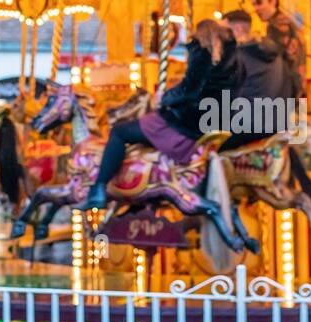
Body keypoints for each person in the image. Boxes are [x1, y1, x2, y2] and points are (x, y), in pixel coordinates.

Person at [79, 19, 239, 210]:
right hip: (209, 123)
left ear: (201, 35)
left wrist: (165, 98)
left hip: (183, 125)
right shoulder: (231, 60)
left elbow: (190, 89)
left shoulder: (201, 54)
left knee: (119, 132)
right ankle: (140, 194)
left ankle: (98, 189)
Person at [219, 8, 298, 151]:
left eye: (223, 31)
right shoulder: (275, 53)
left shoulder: (238, 56)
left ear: (236, 29)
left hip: (250, 126)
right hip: (278, 121)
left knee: (204, 144)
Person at [250, 0, 306, 97]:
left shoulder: (279, 25)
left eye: (259, 3)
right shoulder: (284, 21)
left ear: (273, 1)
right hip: (294, 86)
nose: (256, 9)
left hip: (286, 87)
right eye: (254, 5)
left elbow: (272, 54)